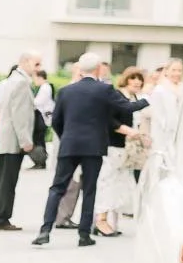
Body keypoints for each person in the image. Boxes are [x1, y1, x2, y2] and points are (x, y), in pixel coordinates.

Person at [33, 54, 149, 248]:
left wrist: (66, 136)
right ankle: (84, 235)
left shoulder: (65, 91)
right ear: (97, 70)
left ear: (80, 70)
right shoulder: (104, 89)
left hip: (70, 144)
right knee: (89, 190)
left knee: (57, 188)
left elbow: (56, 121)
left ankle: (45, 230)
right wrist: (147, 100)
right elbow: (128, 108)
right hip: (94, 147)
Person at [0, 53, 41, 231]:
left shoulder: (13, 80)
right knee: (8, 181)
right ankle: (1, 218)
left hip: (7, 137)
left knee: (3, 180)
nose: (38, 68)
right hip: (13, 139)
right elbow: (20, 115)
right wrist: (26, 141)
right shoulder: (20, 82)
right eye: (36, 63)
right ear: (25, 62)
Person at [92, 68, 146, 237]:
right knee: (108, 182)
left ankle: (111, 222)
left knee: (120, 184)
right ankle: (100, 220)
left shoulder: (134, 98)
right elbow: (109, 120)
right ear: (126, 79)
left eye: (139, 79)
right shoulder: (117, 95)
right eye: (133, 78)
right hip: (113, 146)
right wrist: (127, 131)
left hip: (127, 148)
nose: (137, 82)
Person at [143, 59, 183, 178]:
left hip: (181, 133)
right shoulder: (160, 90)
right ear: (166, 72)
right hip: (163, 134)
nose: (177, 73)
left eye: (180, 70)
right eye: (174, 70)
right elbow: (159, 116)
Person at [29, 69, 56, 170]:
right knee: (39, 139)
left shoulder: (45, 87)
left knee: (39, 139)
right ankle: (40, 161)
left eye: (35, 78)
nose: (34, 80)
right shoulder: (45, 87)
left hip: (41, 117)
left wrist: (30, 101)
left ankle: (41, 161)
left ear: (40, 77)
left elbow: (38, 102)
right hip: (41, 116)